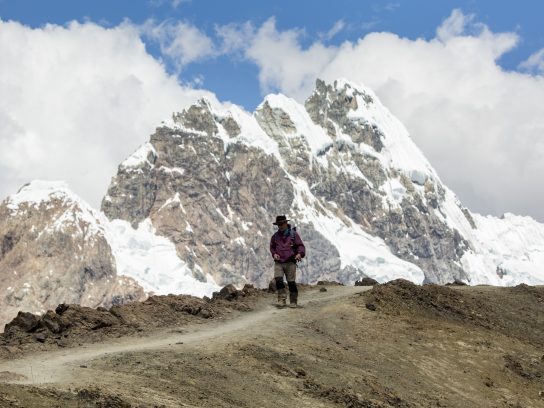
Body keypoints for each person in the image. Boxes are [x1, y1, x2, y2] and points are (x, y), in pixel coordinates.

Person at [269, 215, 306, 308]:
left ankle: (293, 301)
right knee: (278, 279)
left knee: (291, 282)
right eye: (278, 224)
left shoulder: (293, 234)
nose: (280, 226)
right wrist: (274, 254)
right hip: (279, 262)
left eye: (282, 224)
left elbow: (300, 246)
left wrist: (299, 254)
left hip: (290, 262)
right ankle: (282, 299)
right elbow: (272, 247)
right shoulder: (275, 237)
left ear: (286, 223)